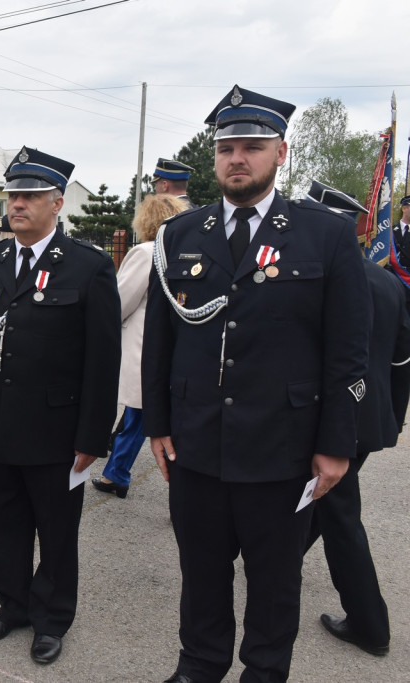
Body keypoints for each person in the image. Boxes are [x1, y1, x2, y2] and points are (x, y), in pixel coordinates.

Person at [143, 86, 370, 683]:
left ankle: (265, 671)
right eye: (226, 148)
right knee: (202, 570)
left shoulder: (324, 235)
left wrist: (336, 443)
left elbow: (349, 352)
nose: (236, 158)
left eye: (252, 146)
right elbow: (160, 343)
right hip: (196, 441)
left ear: (281, 153)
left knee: (274, 579)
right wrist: (158, 425)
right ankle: (200, 664)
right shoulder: (181, 234)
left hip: (283, 445)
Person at [0, 147, 121, 665]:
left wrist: (93, 437)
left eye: (30, 196)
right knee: (3, 524)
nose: (18, 204)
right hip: (0, 423)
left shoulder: (87, 265)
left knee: (55, 531)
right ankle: (12, 605)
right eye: (13, 196)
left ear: (57, 202)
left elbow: (103, 360)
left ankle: (51, 619)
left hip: (57, 428)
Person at [303, 180, 410, 657]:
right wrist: (393, 419)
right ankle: (282, 560)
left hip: (330, 420)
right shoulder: (386, 281)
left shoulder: (321, 277)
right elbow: (402, 361)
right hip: (370, 421)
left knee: (341, 516)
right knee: (324, 503)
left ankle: (370, 624)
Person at [92, 194, 187, 498]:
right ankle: (117, 473)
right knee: (151, 415)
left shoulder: (147, 252)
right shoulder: (184, 250)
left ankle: (119, 474)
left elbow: (119, 301)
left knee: (140, 411)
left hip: (145, 345)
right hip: (177, 347)